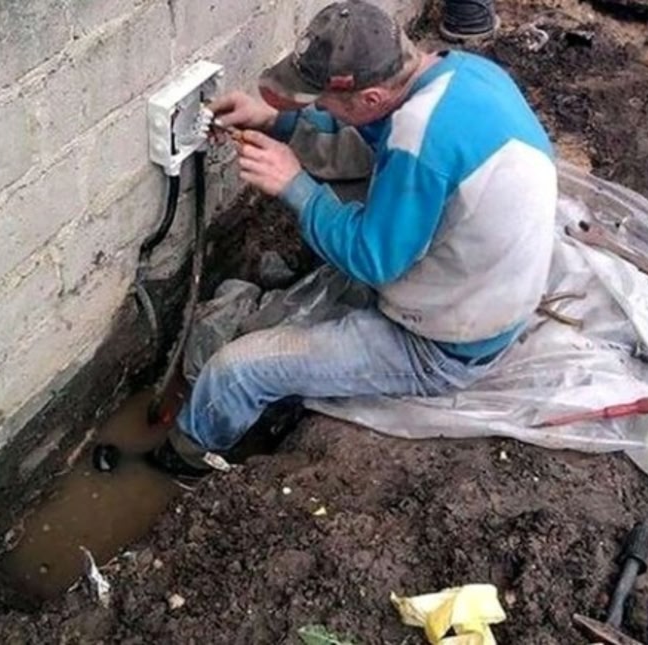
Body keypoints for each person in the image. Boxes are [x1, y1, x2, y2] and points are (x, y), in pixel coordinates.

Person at [145, 0, 557, 478]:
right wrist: (273, 119)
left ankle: (182, 462)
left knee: (236, 372)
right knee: (348, 176)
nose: (318, 107)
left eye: (323, 100)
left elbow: (373, 260)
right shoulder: (460, 72)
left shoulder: (419, 141)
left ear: (372, 97)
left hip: (444, 348)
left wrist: (294, 185)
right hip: (483, 288)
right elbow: (369, 135)